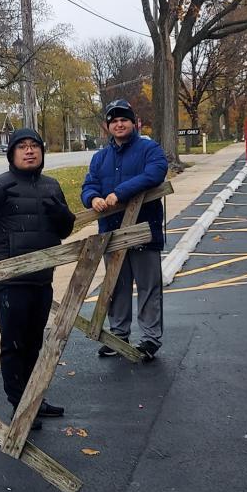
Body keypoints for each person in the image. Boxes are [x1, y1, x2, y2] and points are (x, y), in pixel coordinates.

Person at [0, 128, 75, 431]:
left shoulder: (52, 185)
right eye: (22, 146)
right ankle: (19, 406)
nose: (29, 151)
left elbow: (65, 231)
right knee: (14, 344)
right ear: (11, 154)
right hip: (10, 281)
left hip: (42, 278)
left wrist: (62, 214)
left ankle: (34, 399)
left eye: (34, 146)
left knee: (35, 343)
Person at [81, 101, 168, 361]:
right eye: (114, 121)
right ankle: (119, 336)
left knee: (148, 287)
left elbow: (155, 174)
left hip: (143, 231)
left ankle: (150, 339)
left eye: (124, 119)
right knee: (116, 287)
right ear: (107, 126)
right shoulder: (100, 158)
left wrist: (120, 192)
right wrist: (92, 198)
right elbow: (89, 185)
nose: (119, 124)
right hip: (112, 233)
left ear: (134, 122)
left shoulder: (149, 149)